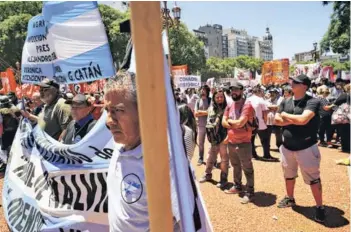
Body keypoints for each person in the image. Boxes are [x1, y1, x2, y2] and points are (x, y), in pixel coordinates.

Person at [104, 71, 181, 231]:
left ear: (144, 112)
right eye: (107, 111)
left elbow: (187, 222)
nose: (109, 121)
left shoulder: (164, 162)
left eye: (118, 110)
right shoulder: (118, 145)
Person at [274, 74, 325, 223]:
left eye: (295, 82)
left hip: (306, 147)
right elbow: (276, 121)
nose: (292, 83)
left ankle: (320, 207)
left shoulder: (313, 101)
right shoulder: (285, 100)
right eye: (292, 81)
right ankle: (290, 198)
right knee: (288, 175)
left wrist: (285, 116)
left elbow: (303, 120)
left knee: (314, 178)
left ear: (304, 85)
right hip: (287, 147)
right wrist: (292, 120)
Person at [222, 80, 255, 204]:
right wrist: (233, 124)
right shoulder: (230, 105)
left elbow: (241, 122)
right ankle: (237, 186)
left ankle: (250, 191)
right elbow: (223, 122)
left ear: (241, 90)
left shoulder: (247, 105)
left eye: (236, 89)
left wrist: (230, 122)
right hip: (231, 141)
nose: (233, 92)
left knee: (247, 168)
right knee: (236, 166)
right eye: (232, 90)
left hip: (243, 142)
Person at [199, 89, 229, 188]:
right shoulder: (211, 108)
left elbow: (230, 124)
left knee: (224, 159)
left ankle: (223, 179)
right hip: (213, 139)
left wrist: (228, 136)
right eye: (217, 97)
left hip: (223, 137)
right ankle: (208, 174)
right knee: (210, 157)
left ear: (224, 98)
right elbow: (209, 122)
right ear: (214, 99)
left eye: (221, 97)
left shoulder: (228, 108)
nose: (219, 99)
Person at [248, 86, 275, 160]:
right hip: (260, 123)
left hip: (250, 123)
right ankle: (266, 155)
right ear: (259, 92)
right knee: (265, 140)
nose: (262, 93)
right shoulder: (260, 100)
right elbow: (265, 113)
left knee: (251, 140)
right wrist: (266, 123)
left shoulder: (248, 100)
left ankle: (253, 155)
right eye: (261, 92)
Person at [194, 85, 211, 165]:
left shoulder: (210, 100)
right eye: (201, 90)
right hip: (200, 126)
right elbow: (195, 113)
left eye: (204, 90)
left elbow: (210, 112)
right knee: (201, 143)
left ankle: (211, 159)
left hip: (210, 125)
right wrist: (205, 112)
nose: (202, 91)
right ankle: (201, 158)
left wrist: (200, 112)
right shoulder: (198, 101)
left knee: (212, 143)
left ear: (207, 91)